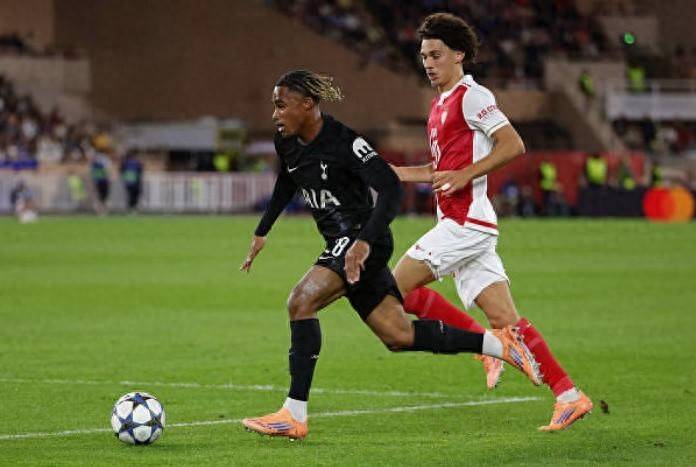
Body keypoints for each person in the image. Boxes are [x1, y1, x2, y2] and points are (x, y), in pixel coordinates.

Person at [239, 70, 541, 440]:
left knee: (301, 301)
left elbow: (391, 189)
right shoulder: (286, 141)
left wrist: (364, 242)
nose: (274, 114)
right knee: (398, 335)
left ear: (307, 105)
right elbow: (288, 180)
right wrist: (262, 230)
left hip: (363, 238)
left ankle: (293, 413)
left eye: (281, 105)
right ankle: (500, 345)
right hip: (343, 242)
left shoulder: (346, 143)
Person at [389, 13, 592, 432]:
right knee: (506, 320)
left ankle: (485, 347)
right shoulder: (439, 105)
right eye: (424, 56)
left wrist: (468, 173)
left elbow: (513, 144)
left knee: (392, 289)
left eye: (436, 55)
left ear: (459, 54)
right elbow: (441, 168)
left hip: (464, 223)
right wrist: (397, 173)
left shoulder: (472, 95)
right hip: (469, 226)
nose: (428, 63)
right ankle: (569, 395)